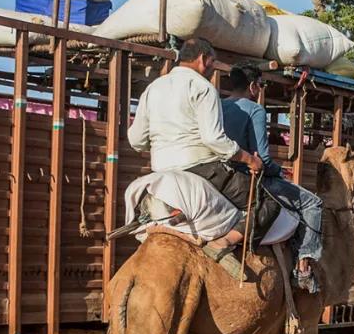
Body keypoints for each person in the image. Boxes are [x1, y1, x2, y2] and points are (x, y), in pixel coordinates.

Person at [127, 38, 279, 272]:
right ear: (203, 59)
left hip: (161, 170)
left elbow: (136, 140)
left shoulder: (152, 89)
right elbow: (214, 139)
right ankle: (224, 242)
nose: (212, 70)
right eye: (213, 64)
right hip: (201, 168)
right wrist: (250, 159)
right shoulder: (202, 88)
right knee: (268, 201)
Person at [221, 64, 324, 292]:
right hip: (249, 179)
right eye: (260, 85)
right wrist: (279, 171)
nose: (259, 90)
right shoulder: (255, 110)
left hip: (220, 177)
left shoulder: (217, 106)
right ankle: (303, 271)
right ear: (252, 86)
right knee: (313, 203)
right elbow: (263, 158)